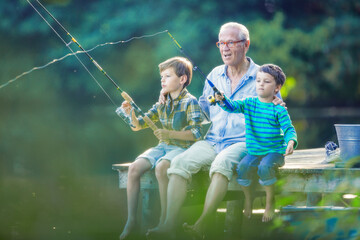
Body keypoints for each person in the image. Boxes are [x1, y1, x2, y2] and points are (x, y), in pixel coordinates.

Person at [147, 22, 284, 238]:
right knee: (179, 163)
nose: (225, 48)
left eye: (231, 42)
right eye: (221, 43)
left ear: (246, 44)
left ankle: (202, 223)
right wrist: (169, 99)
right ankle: (168, 224)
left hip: (243, 142)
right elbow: (200, 111)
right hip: (212, 140)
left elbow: (276, 109)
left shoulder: (262, 75)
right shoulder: (214, 74)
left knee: (221, 165)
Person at [117, 56, 203, 240]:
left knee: (162, 167)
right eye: (161, 76)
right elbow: (138, 125)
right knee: (134, 168)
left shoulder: (190, 102)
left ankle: (165, 221)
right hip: (163, 147)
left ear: (182, 79)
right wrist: (131, 113)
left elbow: (197, 133)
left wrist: (170, 134)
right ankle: (131, 220)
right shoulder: (161, 103)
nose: (162, 80)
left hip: (183, 148)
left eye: (167, 76)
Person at [215, 63, 298, 222]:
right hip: (254, 151)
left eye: (266, 81)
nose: (261, 84)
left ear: (277, 88)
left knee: (265, 167)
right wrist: (222, 99)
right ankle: (248, 198)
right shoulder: (249, 103)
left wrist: (291, 142)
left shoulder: (278, 109)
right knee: (243, 167)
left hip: (273, 152)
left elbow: (288, 129)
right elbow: (232, 107)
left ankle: (269, 201)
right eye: (258, 80)